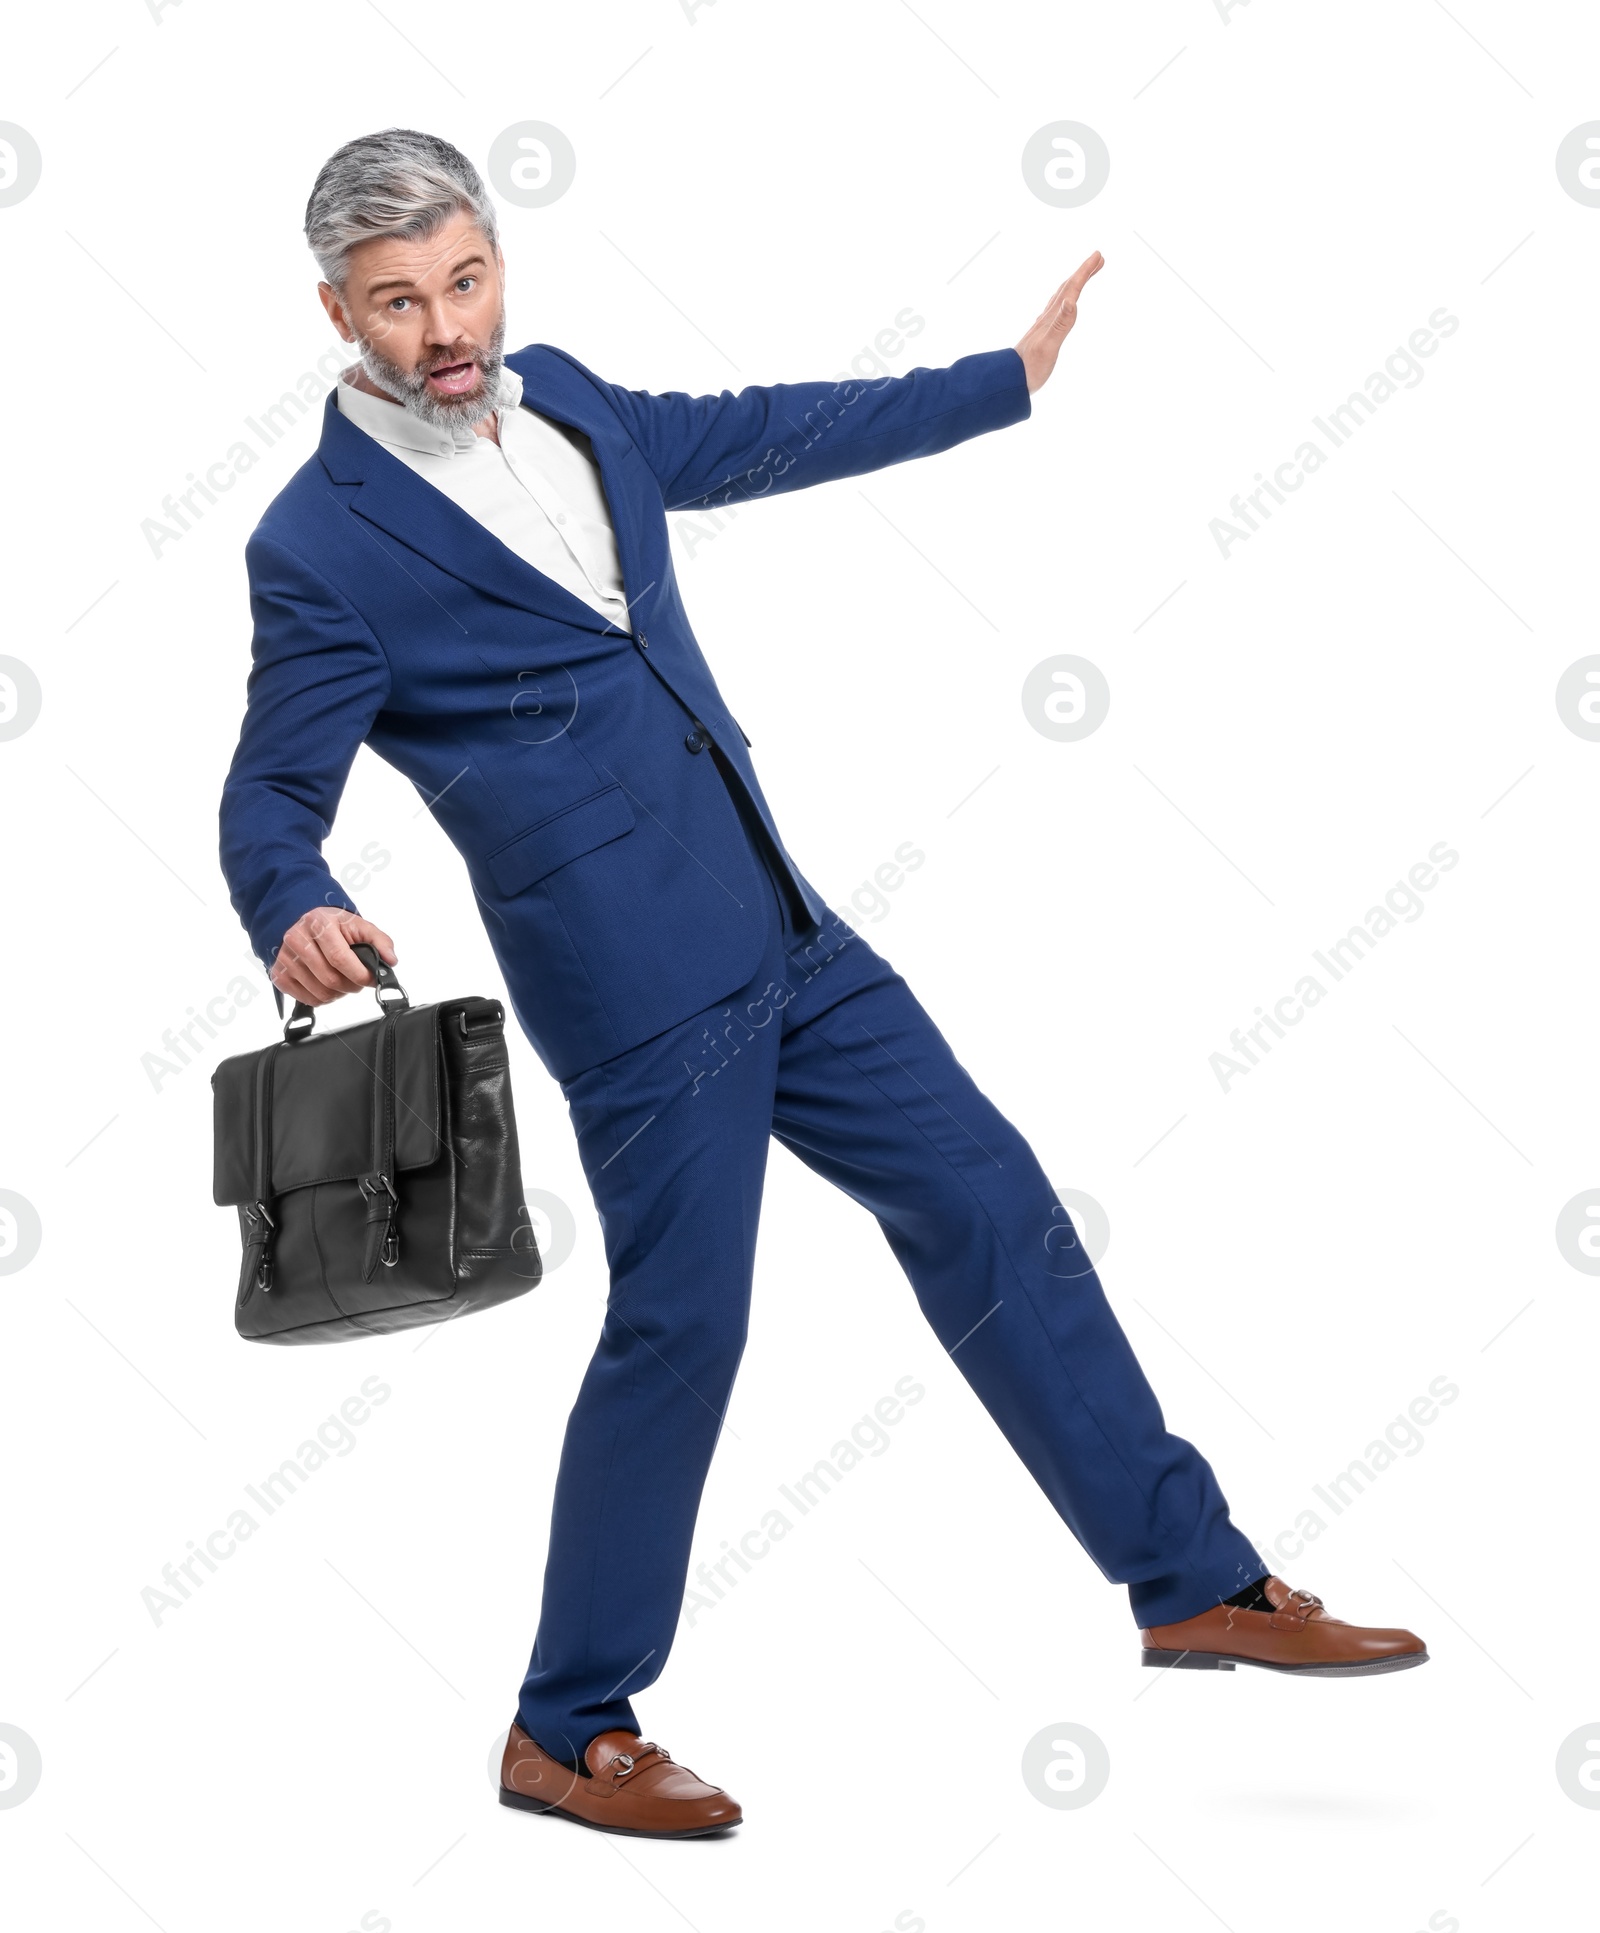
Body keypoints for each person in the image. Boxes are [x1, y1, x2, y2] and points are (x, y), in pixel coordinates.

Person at [219, 128, 1427, 1841]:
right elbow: (270, 788)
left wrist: (997, 381)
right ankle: (567, 1725)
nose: (447, 327)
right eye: (400, 302)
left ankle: (1189, 1576)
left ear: (499, 262)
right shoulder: (319, 542)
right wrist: (296, 898)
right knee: (686, 1327)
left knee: (994, 1202)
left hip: (788, 928)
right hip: (633, 989)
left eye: (467, 278)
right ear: (335, 309)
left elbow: (767, 431)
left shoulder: (566, 396)